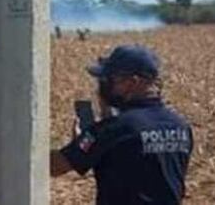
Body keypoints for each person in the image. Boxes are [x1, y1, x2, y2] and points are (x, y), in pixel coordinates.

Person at [50, 45, 193, 205]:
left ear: (132, 82)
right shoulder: (180, 126)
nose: (103, 88)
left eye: (109, 80)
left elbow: (55, 166)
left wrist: (79, 144)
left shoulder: (113, 129)